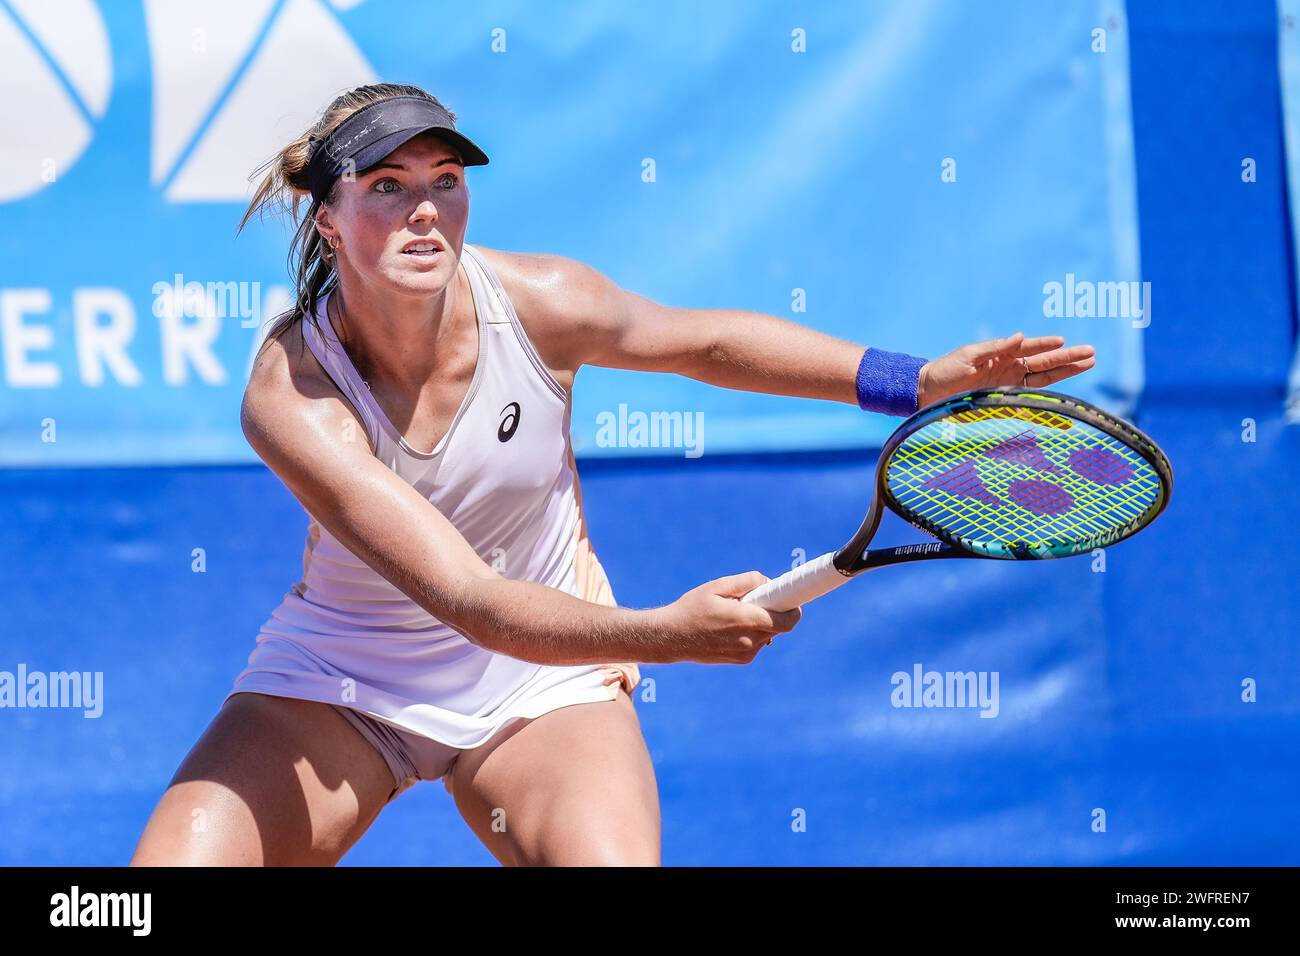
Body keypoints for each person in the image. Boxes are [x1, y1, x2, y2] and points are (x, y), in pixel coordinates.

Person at [130, 83, 1095, 867]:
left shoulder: (543, 300)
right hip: (346, 675)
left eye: (446, 180)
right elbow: (468, 596)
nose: (426, 209)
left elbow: (703, 341)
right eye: (386, 185)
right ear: (328, 219)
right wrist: (664, 635)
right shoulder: (292, 394)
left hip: (541, 679)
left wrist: (913, 381)